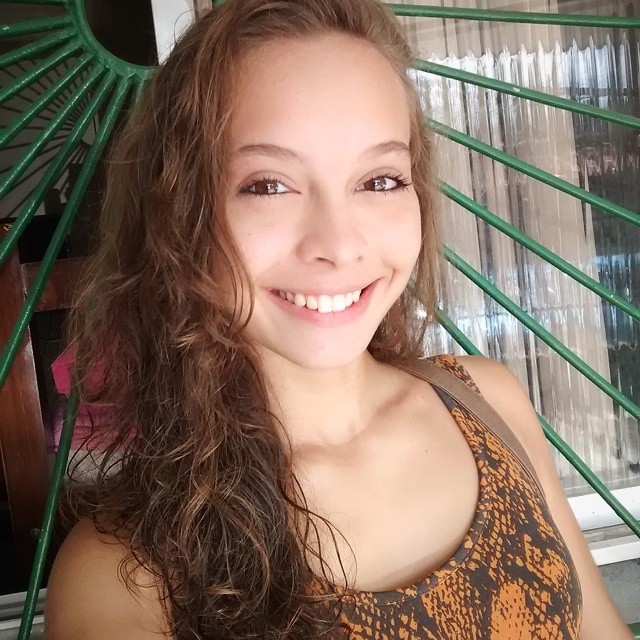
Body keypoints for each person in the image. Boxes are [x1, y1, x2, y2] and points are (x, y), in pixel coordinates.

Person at [43, 0, 633, 638]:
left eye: (379, 180)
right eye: (268, 184)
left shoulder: (489, 403)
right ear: (179, 213)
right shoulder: (123, 576)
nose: (340, 244)